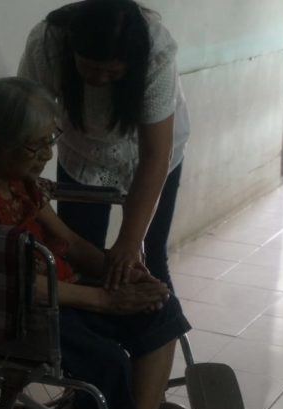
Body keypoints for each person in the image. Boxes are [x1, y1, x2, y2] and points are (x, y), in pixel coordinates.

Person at [0, 77, 191, 409]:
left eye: (51, 140)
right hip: (9, 312)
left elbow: (69, 242)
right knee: (108, 360)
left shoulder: (13, 170)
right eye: (37, 146)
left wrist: (118, 274)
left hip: (52, 292)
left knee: (160, 309)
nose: (47, 155)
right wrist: (105, 300)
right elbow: (17, 285)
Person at [18, 0, 190, 291]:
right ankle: (99, 317)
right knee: (80, 258)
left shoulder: (155, 51)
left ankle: (152, 316)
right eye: (89, 68)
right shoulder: (48, 43)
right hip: (82, 154)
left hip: (148, 157)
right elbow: (26, 117)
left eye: (112, 73)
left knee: (147, 260)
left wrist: (129, 242)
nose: (98, 79)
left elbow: (155, 155)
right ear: (73, 49)